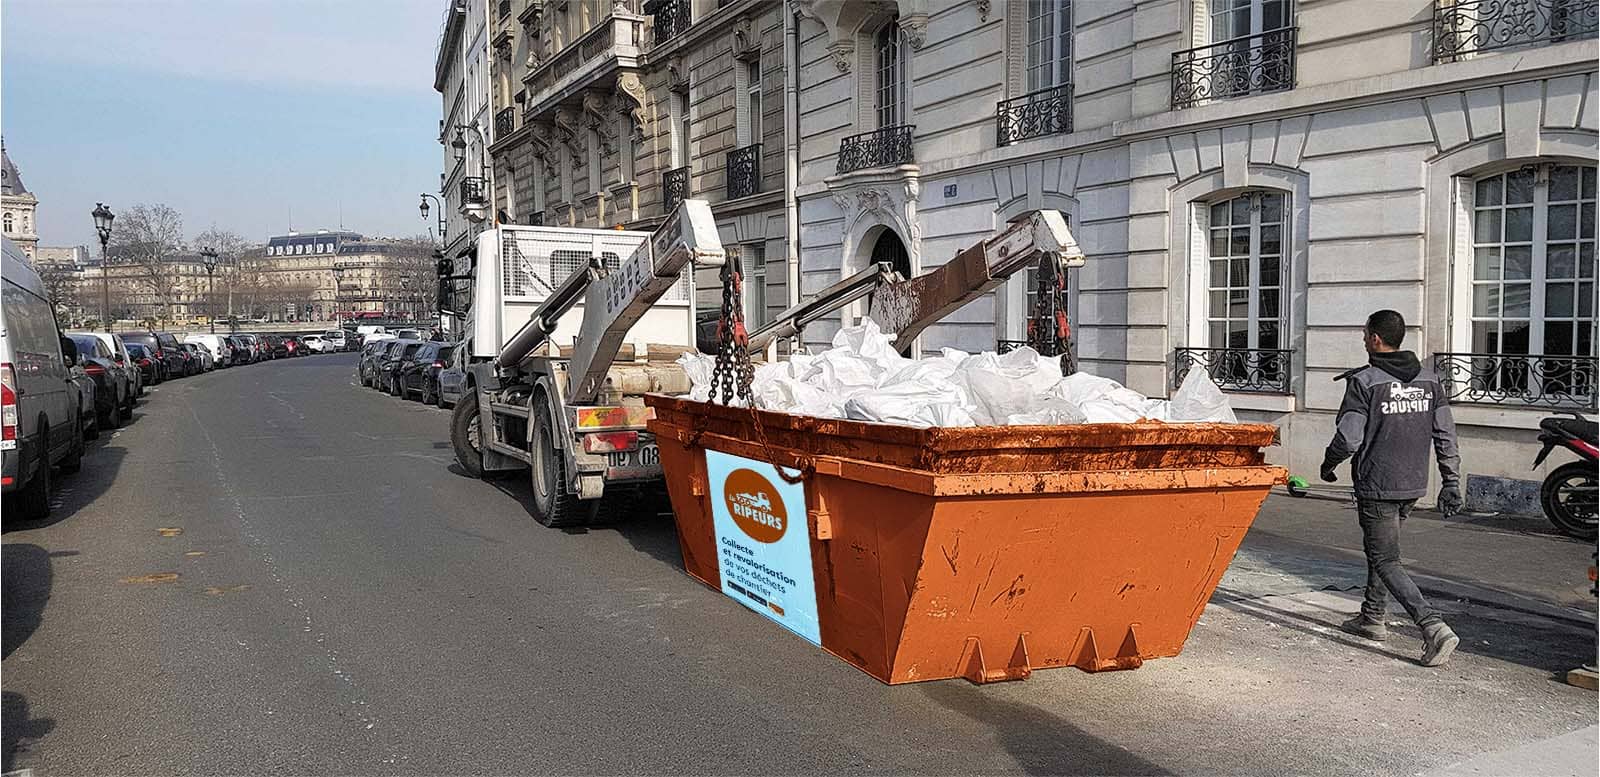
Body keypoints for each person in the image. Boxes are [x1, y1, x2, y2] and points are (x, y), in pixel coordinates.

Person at [1321, 309, 1463, 667]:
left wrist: (1328, 462)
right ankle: (1372, 617)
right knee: (1382, 551)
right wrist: (1451, 482)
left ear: (1375, 339)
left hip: (1377, 484)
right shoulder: (1430, 381)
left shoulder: (1366, 382)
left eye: (1365, 332)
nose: (1363, 338)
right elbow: (1445, 435)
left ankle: (1433, 627)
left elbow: (1350, 438)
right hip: (1413, 484)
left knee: (1385, 557)